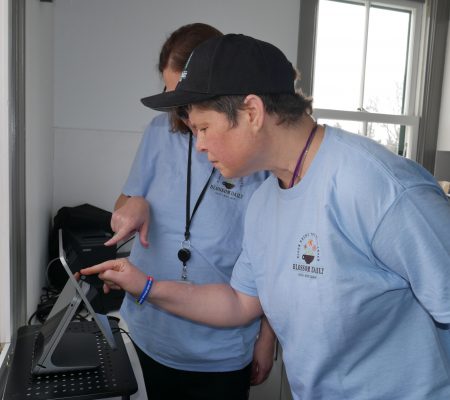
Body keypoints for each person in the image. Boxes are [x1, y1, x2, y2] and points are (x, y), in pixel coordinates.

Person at [82, 34, 450, 399]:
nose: (201, 144)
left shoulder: (379, 187)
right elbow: (239, 303)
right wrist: (145, 285)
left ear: (252, 113)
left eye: (204, 129)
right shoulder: (264, 201)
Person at [103, 26, 275, 400]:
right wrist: (134, 205)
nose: (178, 112)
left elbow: (268, 261)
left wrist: (266, 336)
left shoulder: (256, 156)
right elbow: (124, 205)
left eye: (185, 100)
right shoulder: (156, 133)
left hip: (220, 350)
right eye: (171, 97)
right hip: (148, 335)